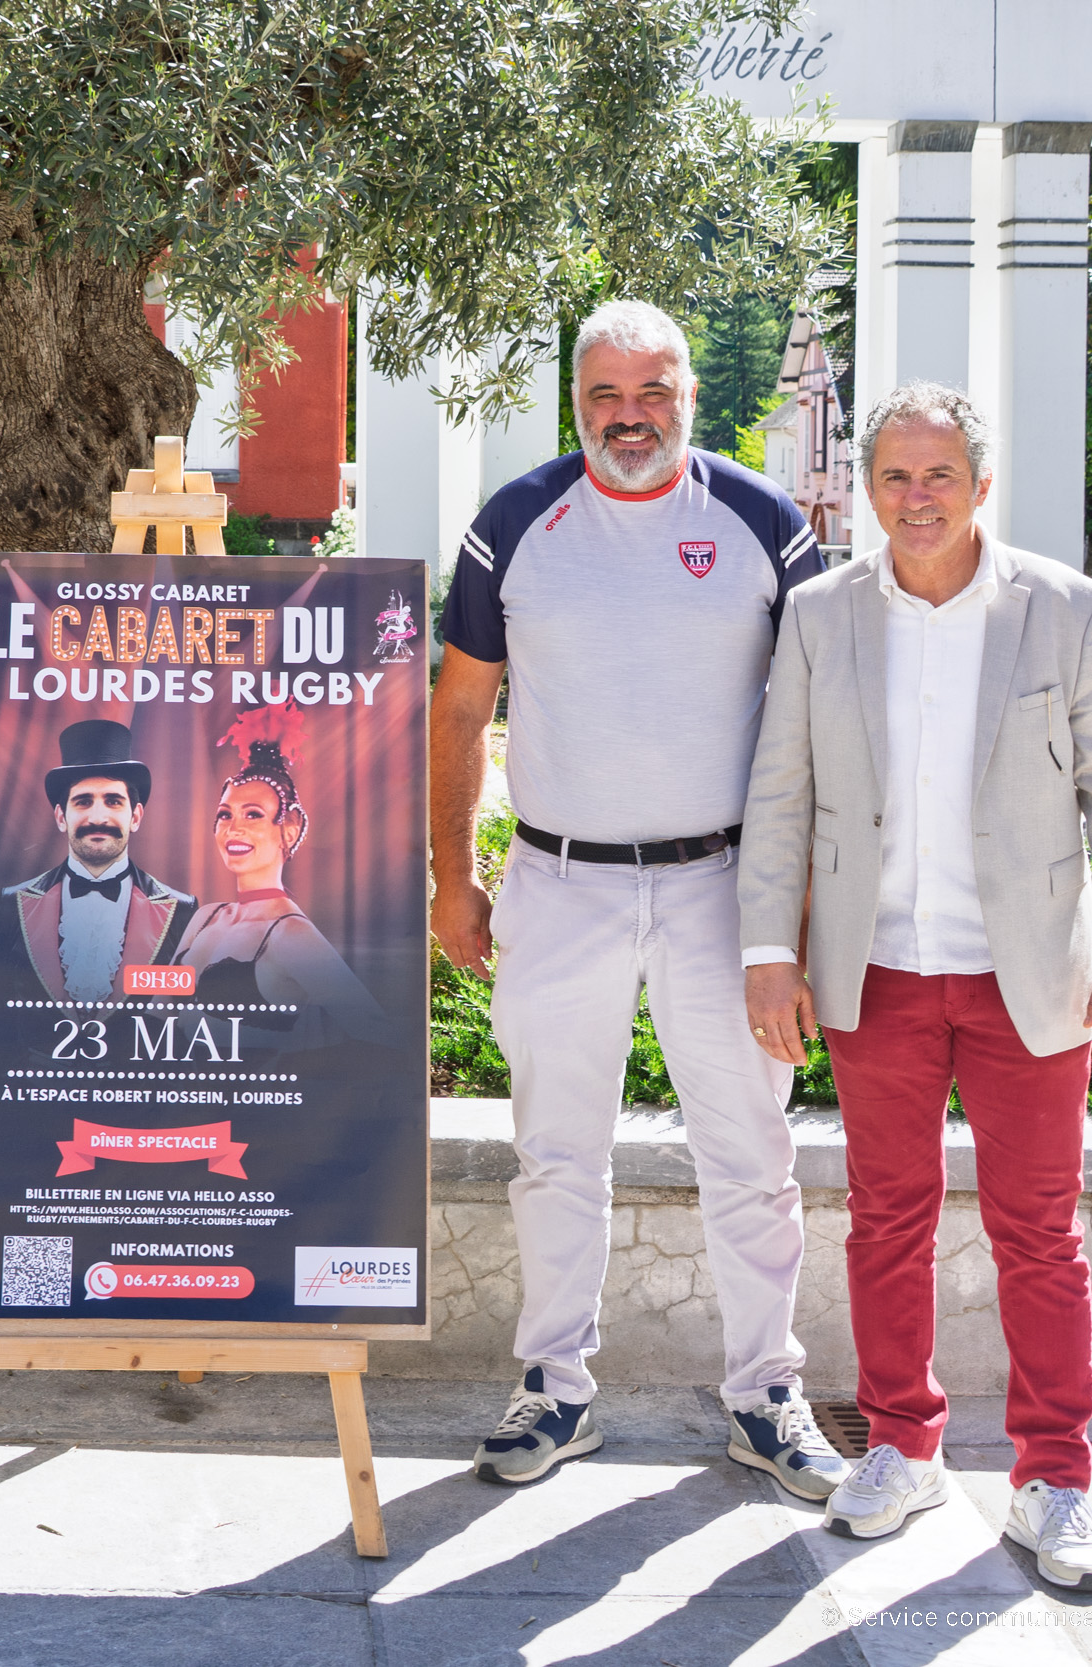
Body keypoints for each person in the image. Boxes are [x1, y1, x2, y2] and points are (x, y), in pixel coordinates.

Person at [740, 381, 1092, 1593]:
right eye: (893, 477)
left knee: (1040, 1231)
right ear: (864, 487)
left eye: (938, 476)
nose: (914, 499)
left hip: (1024, 970)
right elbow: (780, 792)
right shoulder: (822, 611)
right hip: (873, 970)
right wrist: (769, 951)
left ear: (981, 485)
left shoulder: (1067, 609)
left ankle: (1054, 1480)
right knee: (887, 1220)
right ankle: (903, 1445)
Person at [430, 299, 848, 1501]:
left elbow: (815, 723)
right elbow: (458, 711)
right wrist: (452, 876)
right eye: (605, 396)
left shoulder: (762, 521)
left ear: (687, 394)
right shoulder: (516, 522)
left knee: (753, 1152)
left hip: (726, 886)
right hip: (559, 882)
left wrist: (799, 912)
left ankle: (767, 1394)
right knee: (555, 1150)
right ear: (576, 401)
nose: (628, 418)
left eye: (651, 393)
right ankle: (552, 1387)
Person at [173, 702, 383, 1044]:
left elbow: (377, 1032)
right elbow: (155, 1013)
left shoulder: (292, 934)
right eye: (225, 815)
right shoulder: (206, 917)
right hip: (175, 1092)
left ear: (289, 827)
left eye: (253, 814)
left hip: (247, 1093)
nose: (233, 828)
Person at [0, 719, 194, 1003]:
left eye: (114, 801)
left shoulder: (182, 912)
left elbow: (182, 1019)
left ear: (136, 816)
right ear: (61, 817)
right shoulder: (11, 905)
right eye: (83, 801)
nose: (98, 818)